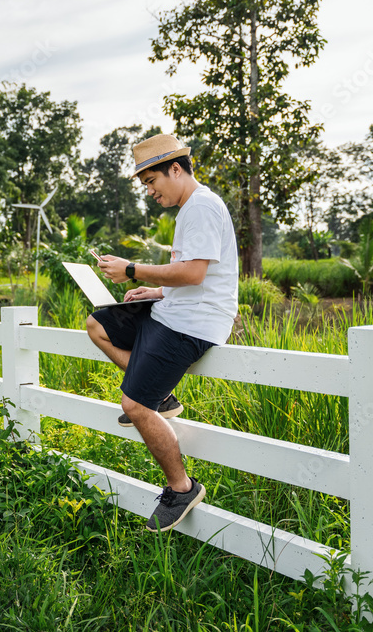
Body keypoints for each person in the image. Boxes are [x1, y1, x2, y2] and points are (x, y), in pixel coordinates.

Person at [85, 133, 239, 532]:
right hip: (175, 308)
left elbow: (195, 273)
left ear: (175, 169)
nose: (149, 192)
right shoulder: (190, 209)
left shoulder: (202, 207)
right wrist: (156, 290)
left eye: (151, 182)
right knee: (98, 325)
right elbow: (192, 274)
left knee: (135, 407)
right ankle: (160, 393)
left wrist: (133, 269)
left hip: (194, 323)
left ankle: (181, 487)